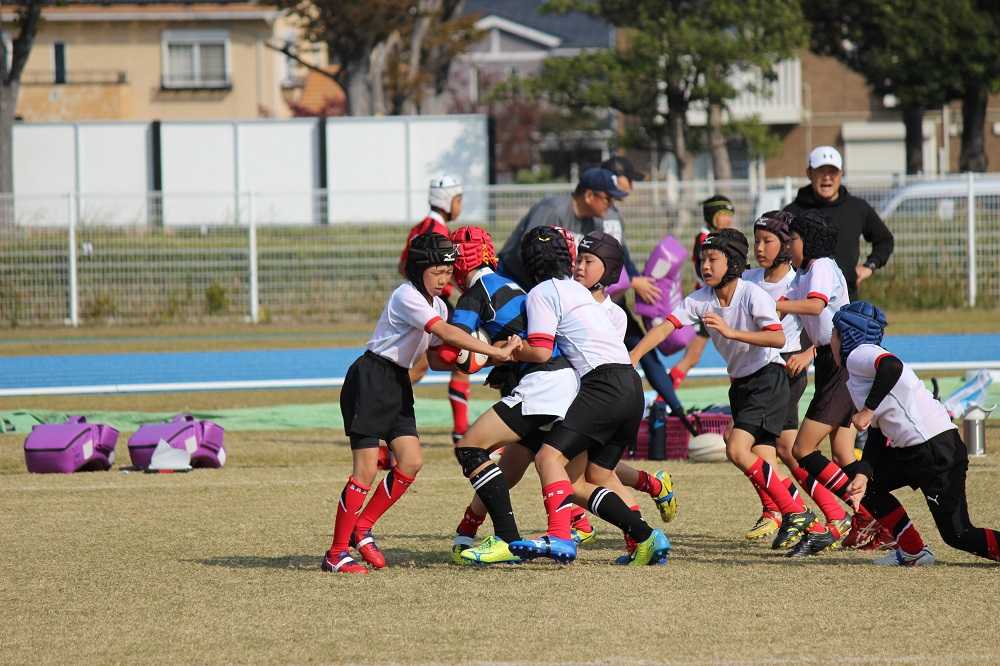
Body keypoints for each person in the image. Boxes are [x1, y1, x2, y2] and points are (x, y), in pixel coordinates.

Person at [451, 229, 677, 566]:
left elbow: (542, 352)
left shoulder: (541, 292)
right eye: (579, 259)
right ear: (568, 259)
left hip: (596, 386)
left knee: (543, 457)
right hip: (631, 387)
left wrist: (505, 351)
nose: (582, 266)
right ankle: (645, 536)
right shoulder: (582, 294)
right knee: (583, 480)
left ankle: (554, 537)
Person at [322, 232, 517, 574]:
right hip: (371, 378)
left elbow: (438, 357)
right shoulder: (407, 296)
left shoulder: (438, 304)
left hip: (397, 382)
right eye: (437, 271)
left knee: (411, 462)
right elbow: (446, 333)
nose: (444, 278)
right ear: (418, 269)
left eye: (448, 271)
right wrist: (493, 351)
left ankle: (362, 528)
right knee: (365, 471)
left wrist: (480, 360)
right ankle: (336, 553)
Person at [630, 228, 831, 558]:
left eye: (713, 259)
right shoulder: (700, 299)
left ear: (734, 263)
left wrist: (731, 332)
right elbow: (666, 326)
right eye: (702, 260)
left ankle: (797, 514)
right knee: (762, 459)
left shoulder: (752, 294)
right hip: (741, 385)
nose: (705, 266)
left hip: (768, 378)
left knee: (737, 449)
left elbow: (778, 338)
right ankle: (813, 526)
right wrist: (634, 356)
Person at [438, 225, 581, 566]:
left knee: (470, 448)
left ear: (458, 262)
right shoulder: (510, 284)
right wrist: (499, 359)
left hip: (543, 384)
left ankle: (507, 539)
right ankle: (640, 532)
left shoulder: (475, 294)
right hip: (565, 381)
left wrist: (480, 355)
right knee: (513, 464)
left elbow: (452, 350)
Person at [835, 302, 1000, 566]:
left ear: (847, 334)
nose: (831, 341)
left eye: (834, 333)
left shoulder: (859, 353)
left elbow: (892, 366)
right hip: (917, 450)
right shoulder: (860, 371)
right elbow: (877, 432)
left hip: (934, 449)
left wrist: (867, 410)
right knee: (870, 488)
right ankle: (913, 551)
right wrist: (863, 474)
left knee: (958, 534)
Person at [741, 211, 849, 545]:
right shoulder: (753, 278)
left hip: (784, 370)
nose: (760, 247)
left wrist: (807, 353)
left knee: (755, 444)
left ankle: (786, 511)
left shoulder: (803, 276)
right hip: (759, 372)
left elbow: (820, 315)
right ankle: (838, 514)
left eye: (769, 241)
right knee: (798, 450)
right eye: (756, 241)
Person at [776, 210, 874, 555]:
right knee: (843, 452)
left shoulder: (821, 266)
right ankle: (876, 521)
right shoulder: (804, 272)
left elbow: (816, 306)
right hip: (831, 362)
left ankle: (866, 518)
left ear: (809, 240)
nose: (788, 246)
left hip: (841, 365)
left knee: (802, 449)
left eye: (792, 240)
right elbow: (799, 314)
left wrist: (779, 305)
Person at [600, 156, 693, 434]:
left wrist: (638, 283)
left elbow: (623, 256)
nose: (632, 185)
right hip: (594, 306)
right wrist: (632, 281)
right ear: (614, 178)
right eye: (629, 178)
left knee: (646, 353)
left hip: (615, 302)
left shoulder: (614, 214)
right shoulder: (593, 214)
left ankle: (680, 415)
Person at [399, 175, 472, 444]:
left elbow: (403, 266)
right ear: (448, 200)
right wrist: (455, 291)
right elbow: (441, 273)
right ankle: (461, 431)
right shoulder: (438, 233)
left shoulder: (418, 227)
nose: (460, 205)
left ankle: (461, 430)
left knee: (426, 365)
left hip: (418, 303)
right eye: (459, 199)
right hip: (433, 305)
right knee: (462, 355)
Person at [783, 146, 894, 302]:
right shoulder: (792, 212)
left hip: (846, 298)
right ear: (809, 173)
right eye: (821, 171)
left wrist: (869, 266)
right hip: (801, 299)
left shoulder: (857, 208)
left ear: (841, 174)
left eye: (833, 171)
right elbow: (779, 249)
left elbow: (884, 240)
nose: (827, 177)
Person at [497, 167, 624, 288]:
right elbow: (530, 249)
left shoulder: (594, 222)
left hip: (545, 286)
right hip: (510, 278)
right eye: (608, 199)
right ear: (589, 196)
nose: (611, 205)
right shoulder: (553, 210)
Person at [669, 195, 736, 388]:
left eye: (730, 215)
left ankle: (663, 396)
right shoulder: (705, 239)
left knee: (696, 356)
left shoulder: (716, 237)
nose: (728, 220)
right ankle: (663, 397)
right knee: (698, 355)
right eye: (723, 214)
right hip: (710, 304)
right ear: (711, 216)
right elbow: (704, 273)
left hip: (717, 302)